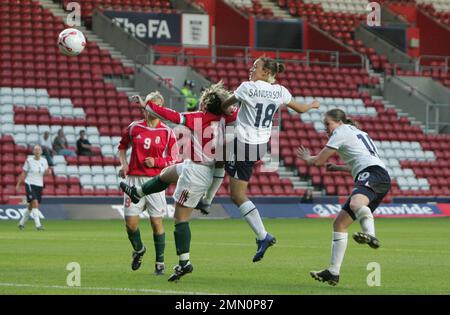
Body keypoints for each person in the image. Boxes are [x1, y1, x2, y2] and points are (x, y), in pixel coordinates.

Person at [120, 83, 235, 282]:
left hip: (197, 173)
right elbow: (221, 165)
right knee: (168, 173)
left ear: (206, 103)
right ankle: (138, 192)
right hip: (198, 166)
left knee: (180, 220)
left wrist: (147, 105)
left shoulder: (199, 117)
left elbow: (171, 116)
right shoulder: (229, 121)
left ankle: (184, 263)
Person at [220, 57, 320, 263]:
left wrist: (223, 103)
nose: (251, 69)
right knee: (220, 158)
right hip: (260, 146)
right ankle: (206, 199)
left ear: (265, 72)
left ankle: (263, 236)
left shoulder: (247, 87)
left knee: (237, 195)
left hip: (244, 144)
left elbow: (225, 104)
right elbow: (300, 109)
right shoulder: (280, 91)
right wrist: (312, 105)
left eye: (255, 67)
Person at [297, 108, 391, 286]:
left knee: (356, 203)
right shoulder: (358, 132)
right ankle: (333, 272)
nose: (326, 128)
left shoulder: (341, 131)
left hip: (373, 174)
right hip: (377, 175)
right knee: (339, 223)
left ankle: (371, 235)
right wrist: (339, 168)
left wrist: (307, 157)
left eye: (327, 124)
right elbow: (361, 162)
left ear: (338, 122)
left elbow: (318, 161)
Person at [118, 91, 178, 276]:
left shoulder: (167, 132)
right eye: (151, 104)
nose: (153, 109)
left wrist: (158, 162)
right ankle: (139, 249)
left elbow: (174, 159)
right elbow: (122, 147)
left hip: (155, 182)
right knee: (130, 224)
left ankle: (160, 262)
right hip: (134, 179)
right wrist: (124, 163)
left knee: (156, 223)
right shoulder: (133, 128)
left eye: (157, 105)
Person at [16, 144, 51, 231]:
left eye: (39, 149)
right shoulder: (29, 160)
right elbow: (24, 173)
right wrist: (18, 184)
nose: (37, 151)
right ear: (33, 152)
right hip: (30, 183)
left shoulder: (44, 161)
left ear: (41, 152)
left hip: (39, 185)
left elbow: (45, 173)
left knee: (31, 206)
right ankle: (38, 225)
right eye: (35, 150)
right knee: (35, 203)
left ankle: (21, 223)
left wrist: (48, 172)